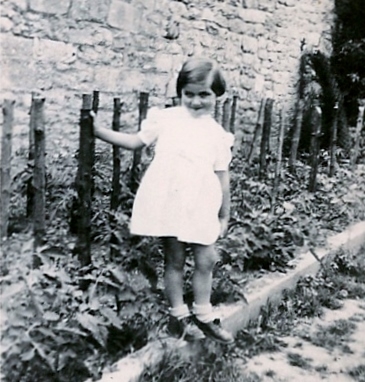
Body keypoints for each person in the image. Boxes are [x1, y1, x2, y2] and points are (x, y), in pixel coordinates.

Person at [92, 57, 235, 344]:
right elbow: (135, 141)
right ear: (180, 93)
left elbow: (222, 177)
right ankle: (178, 315)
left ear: (217, 95)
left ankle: (204, 314)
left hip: (201, 203)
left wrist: (224, 215)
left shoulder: (217, 135)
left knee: (207, 258)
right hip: (170, 201)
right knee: (175, 259)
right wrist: (99, 132)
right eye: (189, 94)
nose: (196, 102)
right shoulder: (167, 119)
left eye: (204, 94)